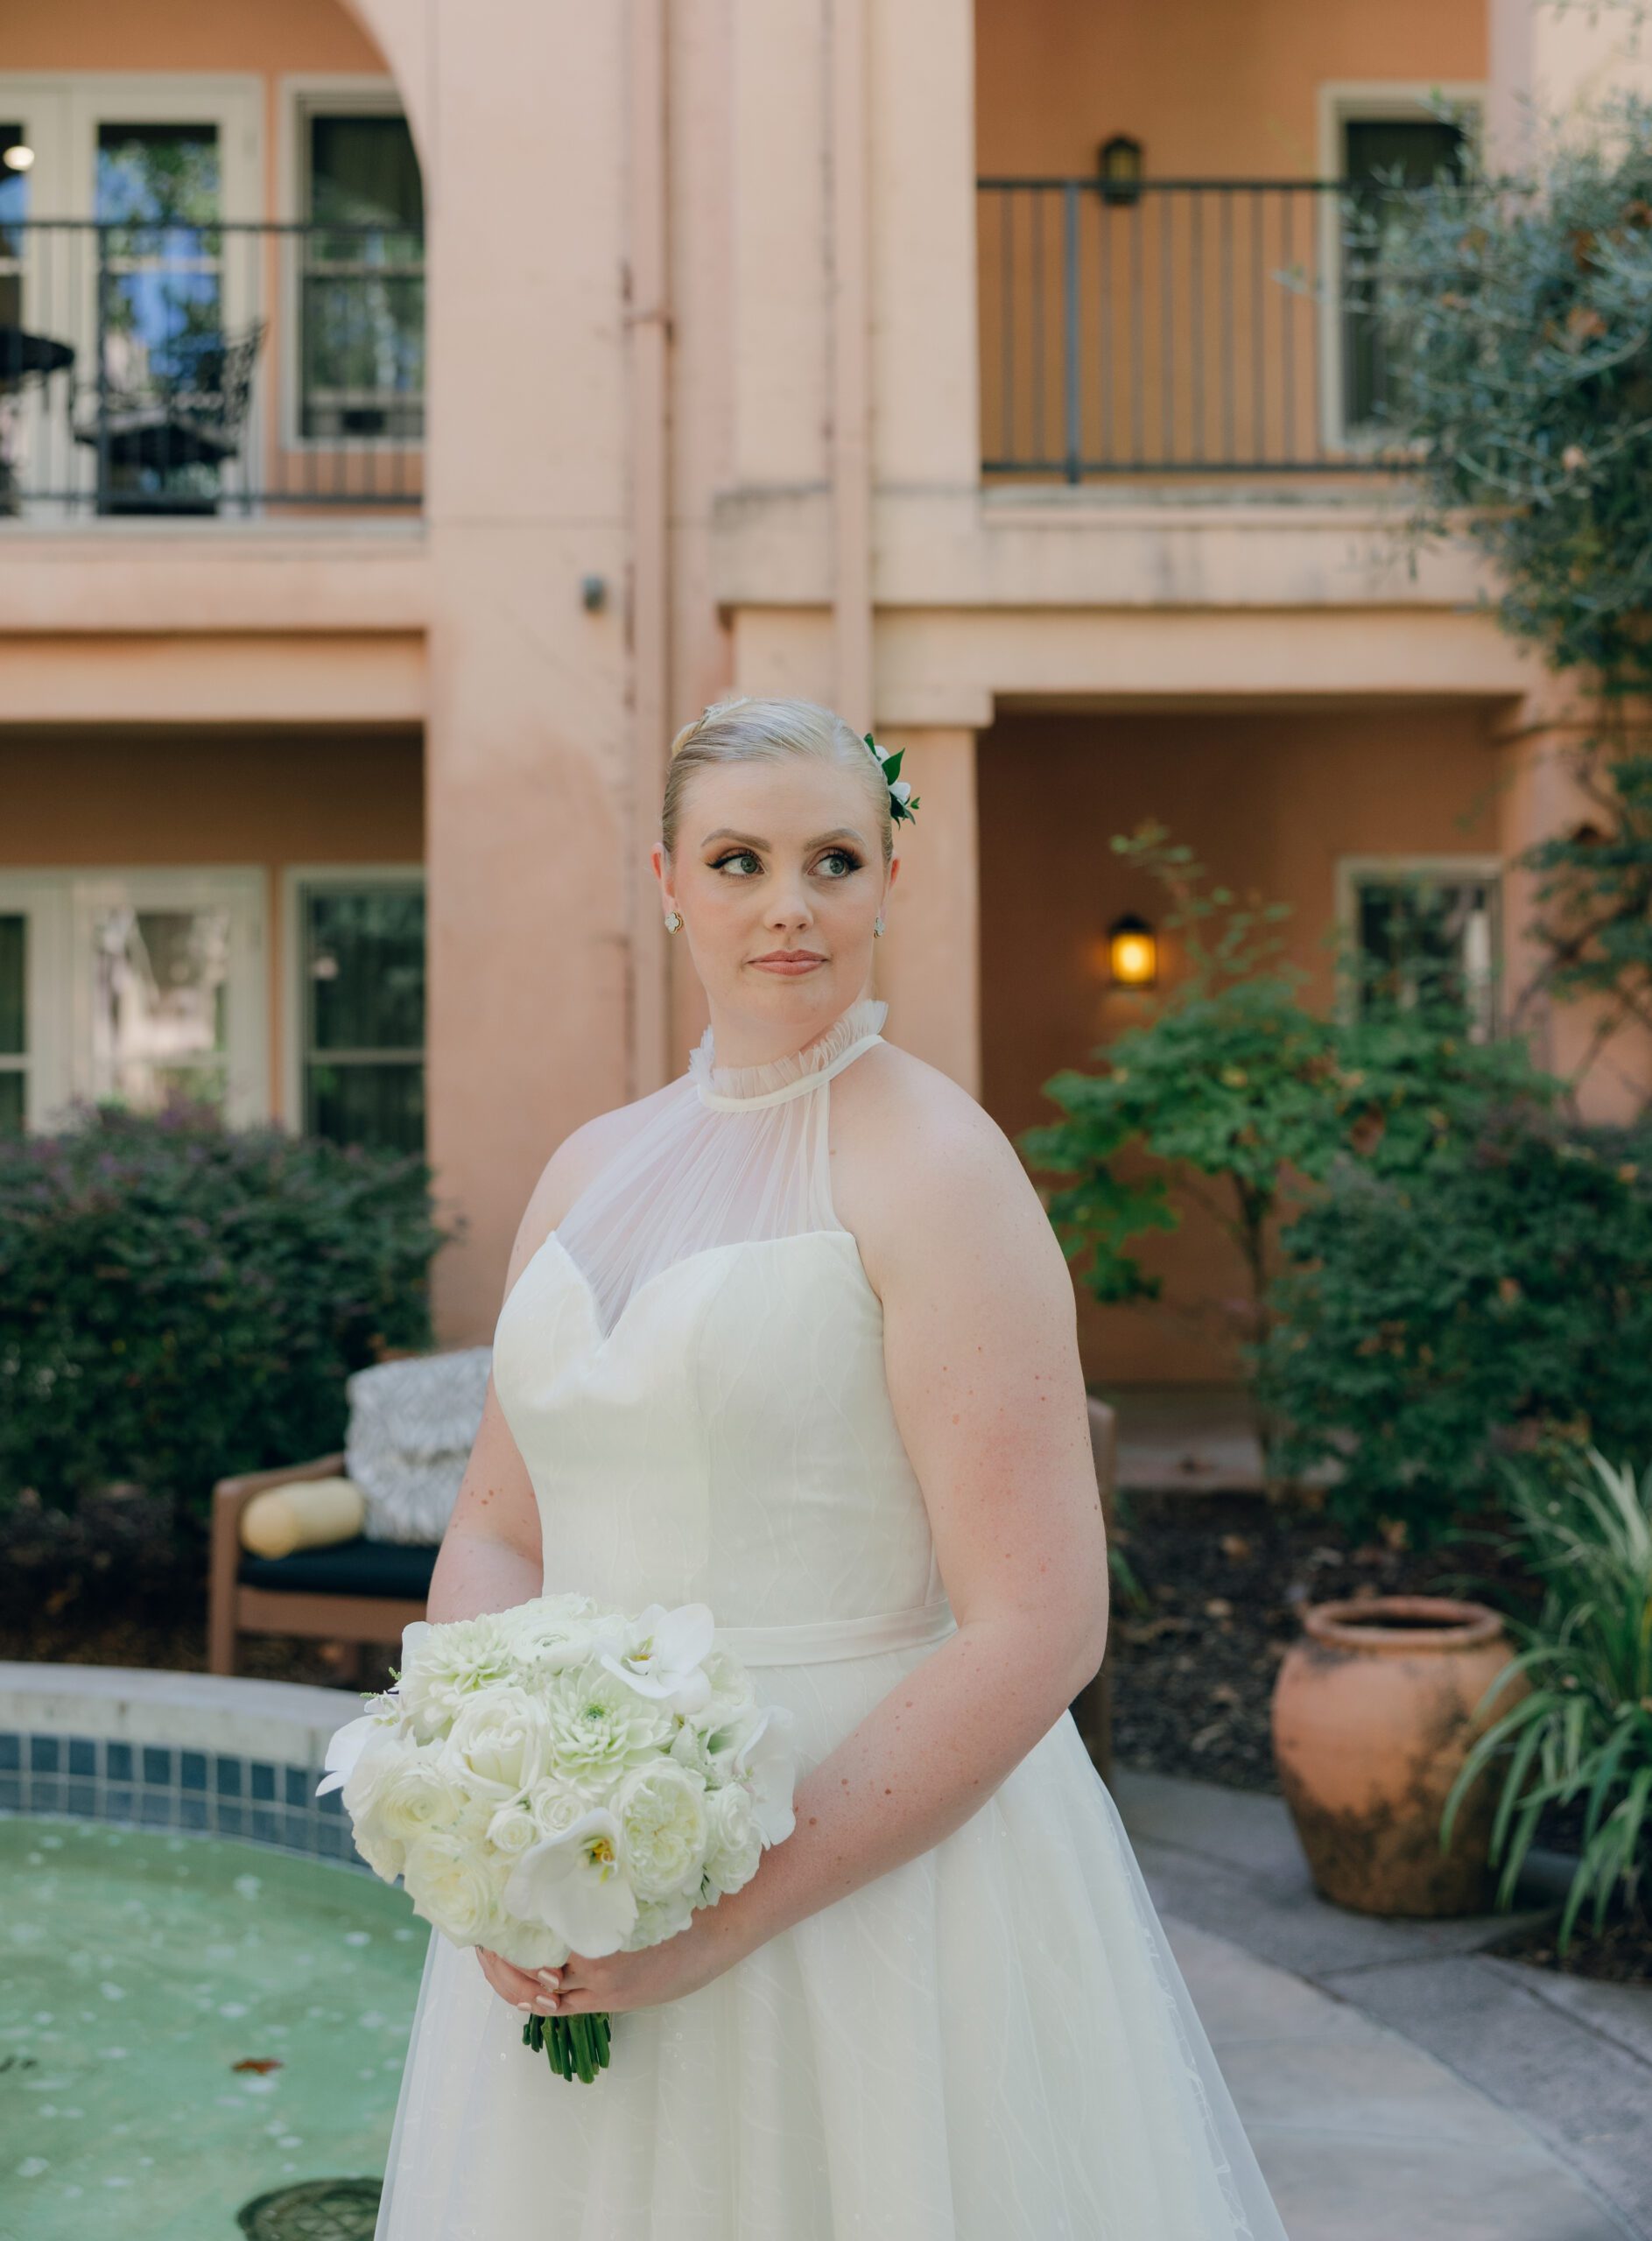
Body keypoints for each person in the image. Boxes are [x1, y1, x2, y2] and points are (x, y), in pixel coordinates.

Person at [372, 696, 1291, 2239]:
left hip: (862, 1893)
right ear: (669, 881)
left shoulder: (937, 1165)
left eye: (834, 861)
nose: (788, 905)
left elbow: (1040, 1625)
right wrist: (497, 1834)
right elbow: (499, 1535)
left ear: (887, 882)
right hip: (582, 1885)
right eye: (740, 861)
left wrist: (719, 1915)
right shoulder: (586, 1170)